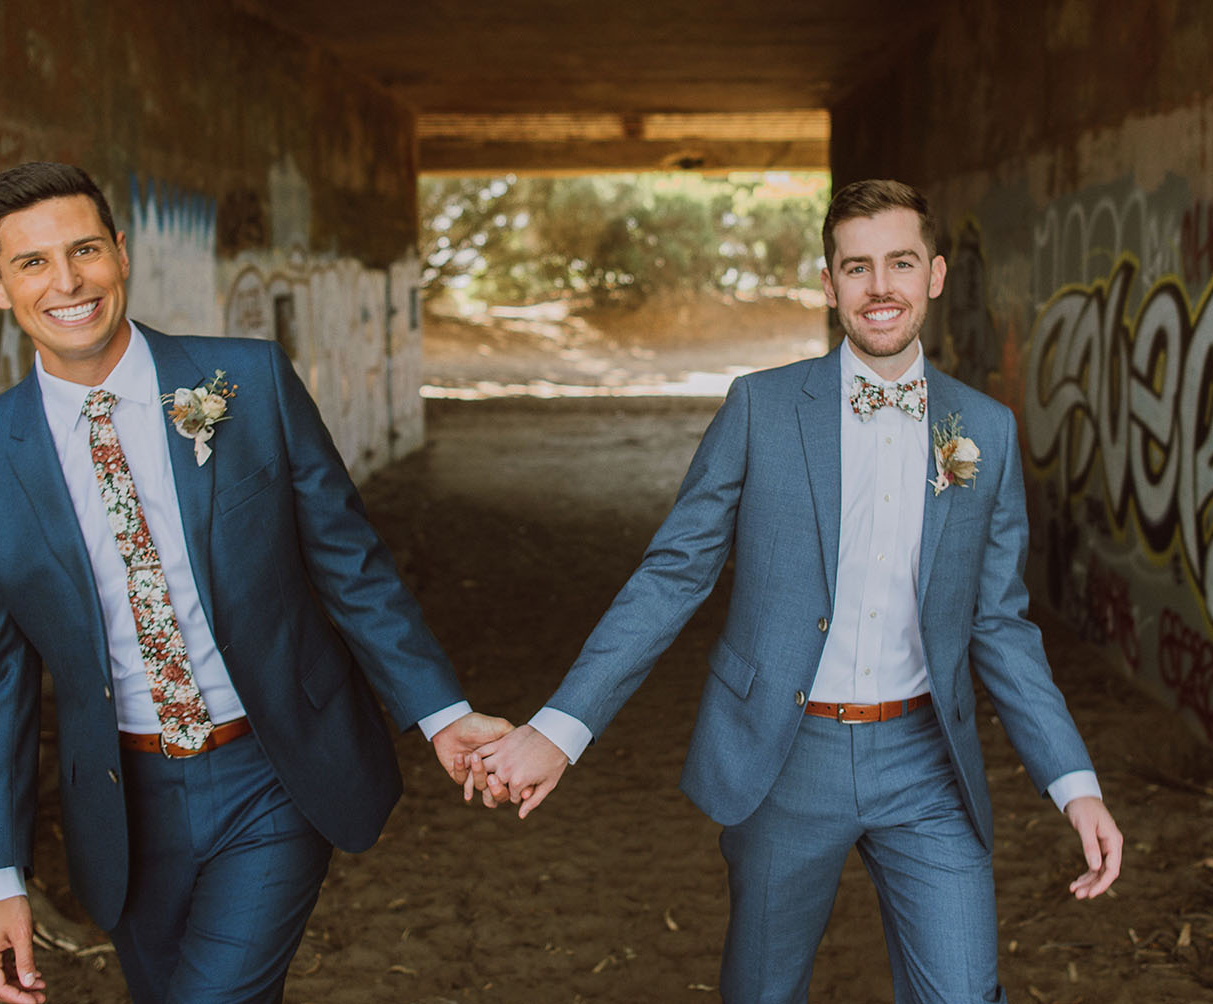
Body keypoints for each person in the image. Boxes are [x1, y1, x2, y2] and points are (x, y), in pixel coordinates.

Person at [473, 179, 1123, 1003]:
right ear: (829, 284)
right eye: (857, 268)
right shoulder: (761, 408)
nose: (879, 287)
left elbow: (1000, 624)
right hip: (783, 756)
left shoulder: (983, 430)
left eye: (900, 263)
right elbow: (674, 574)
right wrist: (559, 731)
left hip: (927, 763)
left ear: (936, 275)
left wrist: (1076, 785)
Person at [0, 161, 508, 1004]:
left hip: (270, 770)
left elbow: (348, 562)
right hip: (121, 811)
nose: (68, 282)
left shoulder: (249, 383)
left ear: (121, 254)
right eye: (33, 263)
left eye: (85, 250)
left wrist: (441, 717)